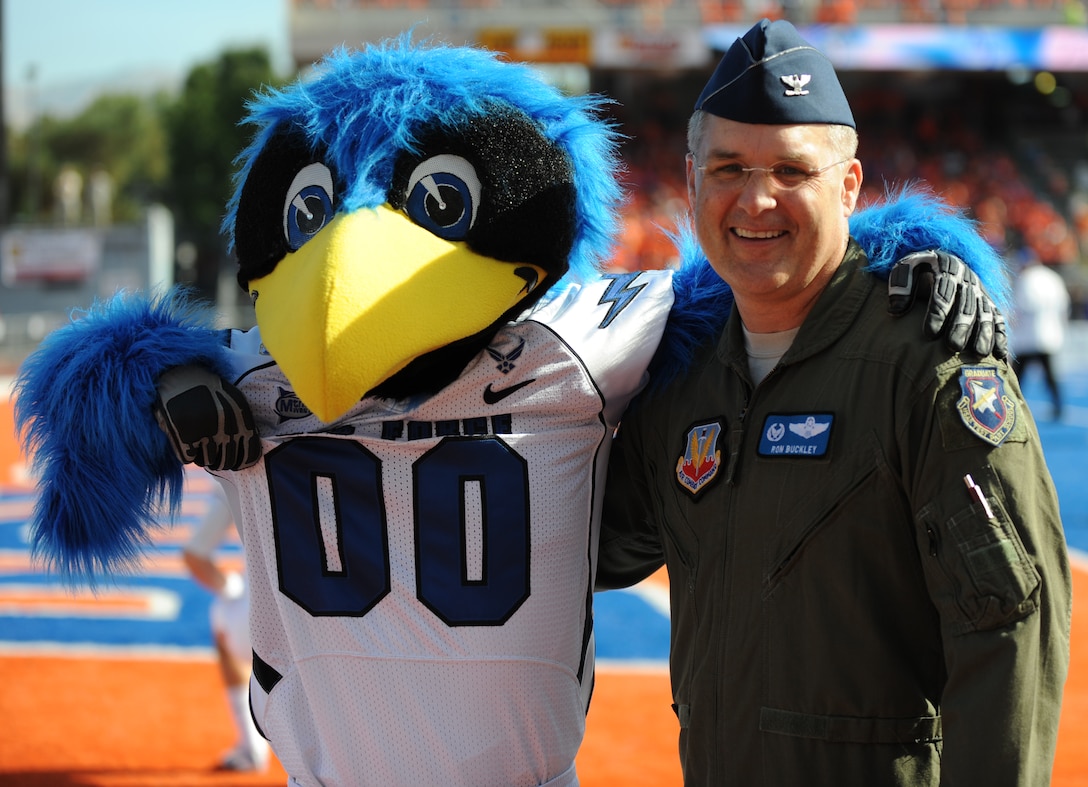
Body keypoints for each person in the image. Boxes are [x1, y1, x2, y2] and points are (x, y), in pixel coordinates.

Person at [596, 19, 1072, 786]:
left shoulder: (925, 358)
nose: (756, 199)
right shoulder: (681, 375)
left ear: (849, 186)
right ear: (691, 180)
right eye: (728, 168)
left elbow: (1008, 627)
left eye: (792, 170)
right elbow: (600, 546)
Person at [181, 484, 270, 772]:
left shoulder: (239, 473)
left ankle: (250, 746)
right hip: (351, 609)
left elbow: (195, 556)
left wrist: (230, 588)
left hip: (266, 614)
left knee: (222, 613)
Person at [1011, 245, 1070, 419]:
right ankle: (1059, 406)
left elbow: (1018, 309)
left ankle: (1013, 407)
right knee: (1050, 374)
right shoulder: (1052, 277)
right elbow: (1064, 306)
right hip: (1049, 335)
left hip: (1027, 336)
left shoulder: (1025, 280)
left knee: (1018, 377)